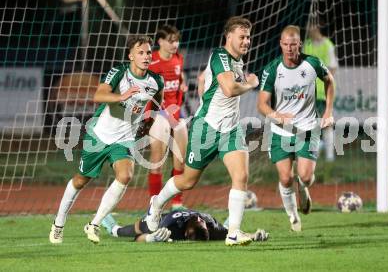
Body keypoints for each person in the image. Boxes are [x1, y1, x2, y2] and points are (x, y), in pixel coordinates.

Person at [145, 16, 260, 246]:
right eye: (242, 37)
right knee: (187, 180)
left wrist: (203, 88)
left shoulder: (236, 61)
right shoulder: (220, 56)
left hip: (230, 129)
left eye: (248, 37)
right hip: (206, 128)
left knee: (241, 176)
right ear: (229, 37)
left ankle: (234, 233)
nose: (246, 41)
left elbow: (201, 78)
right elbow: (228, 89)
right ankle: (156, 204)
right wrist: (250, 83)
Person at [49, 35, 164, 244]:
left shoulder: (156, 81)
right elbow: (99, 95)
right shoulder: (119, 72)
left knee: (126, 175)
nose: (146, 56)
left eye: (148, 52)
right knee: (81, 180)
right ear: (130, 56)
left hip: (125, 138)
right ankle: (58, 222)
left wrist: (147, 125)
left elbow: (157, 104)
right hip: (100, 135)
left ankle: (94, 223)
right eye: (141, 52)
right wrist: (121, 96)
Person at [257, 25, 334, 232]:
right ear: (280, 44)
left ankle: (304, 187)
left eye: (293, 44)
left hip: (307, 128)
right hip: (281, 131)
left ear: (300, 44)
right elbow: (262, 103)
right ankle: (293, 216)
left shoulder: (312, 63)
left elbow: (329, 81)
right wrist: (277, 116)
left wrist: (328, 112)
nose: (290, 48)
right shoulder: (272, 69)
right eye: (286, 44)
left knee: (306, 177)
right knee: (284, 177)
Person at [146, 25, 188, 210]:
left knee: (180, 159)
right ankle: (154, 204)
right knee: (157, 159)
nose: (175, 44)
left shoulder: (179, 59)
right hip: (158, 114)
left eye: (176, 40)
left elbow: (180, 77)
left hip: (176, 114)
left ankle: (176, 202)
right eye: (170, 40)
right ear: (160, 41)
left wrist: (183, 85)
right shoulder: (151, 61)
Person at [101, 209, 268, 243]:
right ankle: (114, 229)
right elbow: (138, 239)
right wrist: (151, 238)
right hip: (162, 218)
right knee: (145, 228)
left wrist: (253, 235)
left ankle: (233, 214)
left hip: (186, 215)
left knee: (226, 230)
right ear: (186, 233)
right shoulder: (171, 228)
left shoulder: (212, 226)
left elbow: (232, 234)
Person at [303, 23, 338, 162]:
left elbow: (333, 68)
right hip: (309, 91)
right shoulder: (307, 45)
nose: (308, 29)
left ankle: (329, 156)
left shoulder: (328, 45)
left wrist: (324, 80)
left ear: (317, 27)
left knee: (326, 123)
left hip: (324, 91)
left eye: (311, 26)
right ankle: (313, 153)